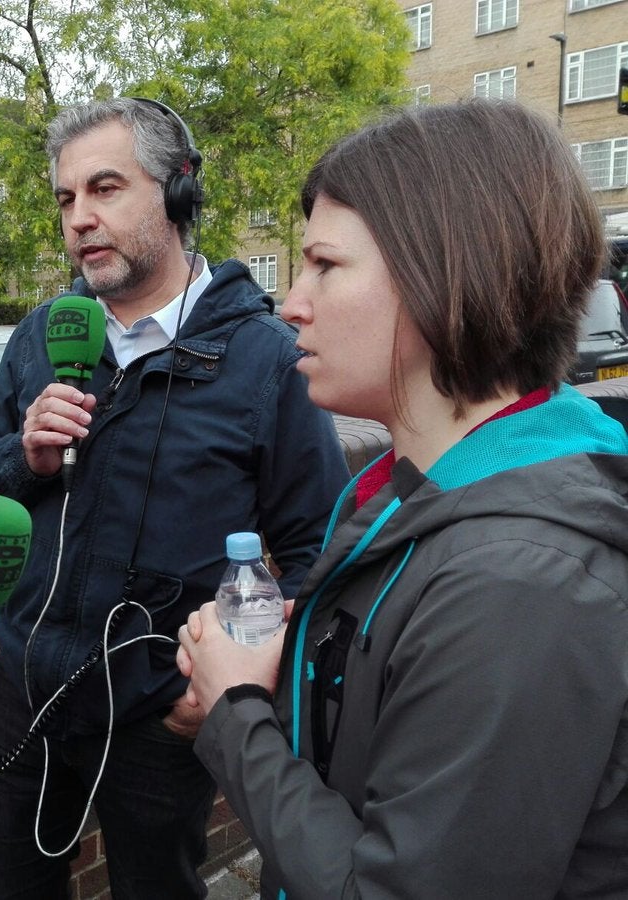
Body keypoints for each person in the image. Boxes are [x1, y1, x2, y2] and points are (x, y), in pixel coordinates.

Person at [177, 99, 628, 898]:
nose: (292, 303)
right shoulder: (412, 492)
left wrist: (235, 710)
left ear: (441, 279)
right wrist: (272, 682)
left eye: (325, 264)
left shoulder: (518, 579)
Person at [0, 97, 349, 898]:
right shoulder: (42, 335)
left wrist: (217, 694)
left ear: (178, 192)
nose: (80, 219)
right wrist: (26, 456)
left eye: (105, 189)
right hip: (24, 694)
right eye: (66, 199)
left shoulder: (264, 359)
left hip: (159, 717)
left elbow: (320, 558)